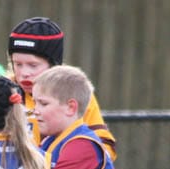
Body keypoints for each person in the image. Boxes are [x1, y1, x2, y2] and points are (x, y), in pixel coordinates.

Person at [7, 16, 116, 159]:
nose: (24, 73)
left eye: (33, 65)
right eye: (18, 64)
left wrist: (68, 162)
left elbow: (105, 147)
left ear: (54, 65)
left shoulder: (73, 91)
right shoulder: (5, 92)